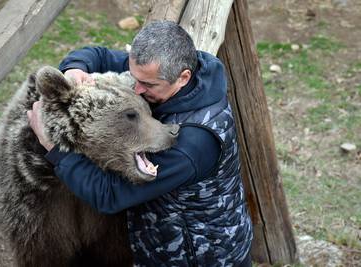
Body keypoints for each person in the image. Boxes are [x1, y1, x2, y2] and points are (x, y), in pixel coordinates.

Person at [27, 20, 253, 267]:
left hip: (197, 257)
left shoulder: (193, 142)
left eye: (147, 85)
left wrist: (55, 150)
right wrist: (73, 71)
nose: (136, 87)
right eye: (134, 77)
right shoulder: (160, 68)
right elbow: (98, 55)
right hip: (160, 241)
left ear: (183, 77)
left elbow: (111, 195)